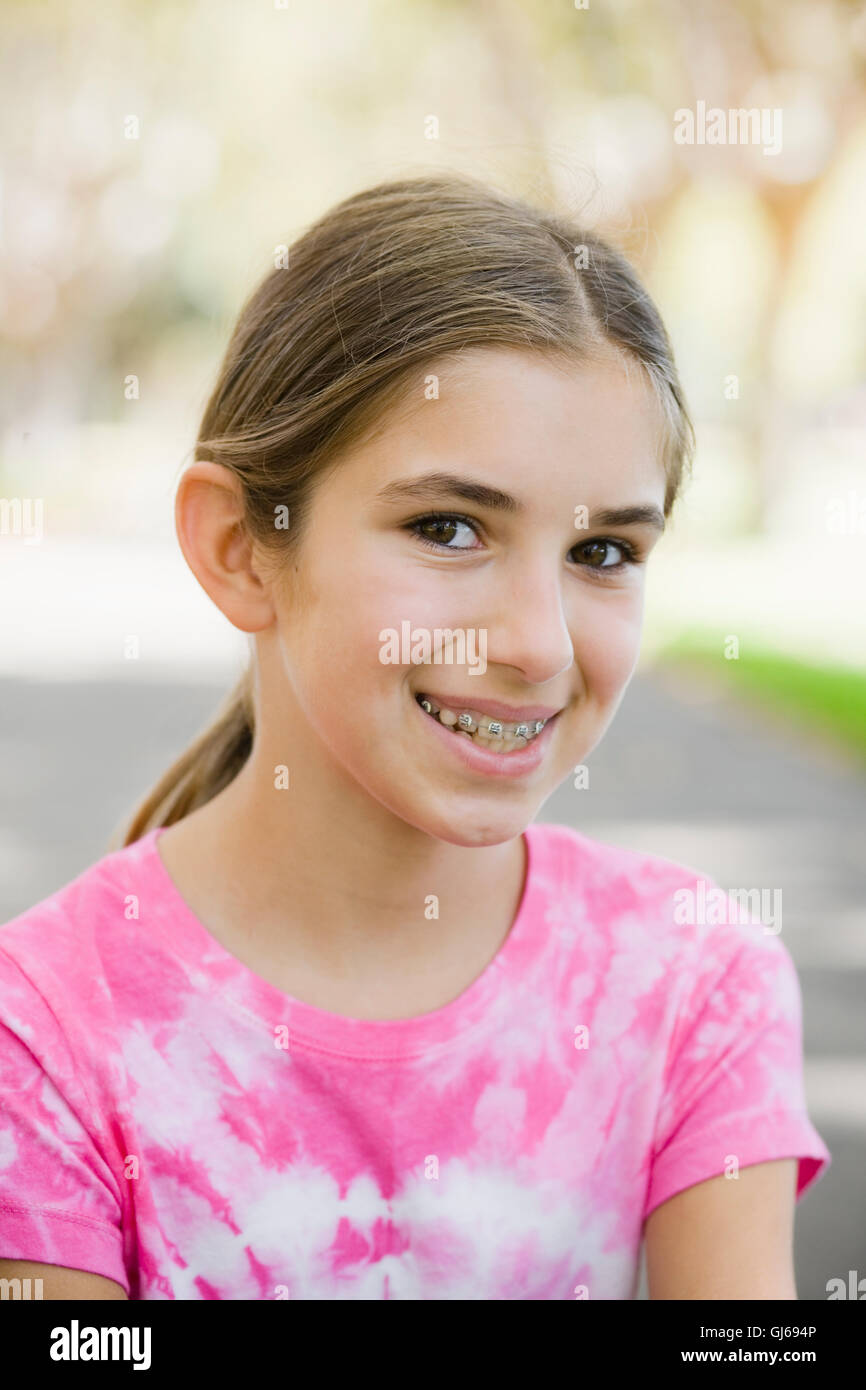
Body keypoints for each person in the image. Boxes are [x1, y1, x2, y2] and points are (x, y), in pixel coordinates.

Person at [0, 172, 830, 1300]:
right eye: (447, 528)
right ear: (242, 547)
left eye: (601, 553)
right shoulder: (42, 1034)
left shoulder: (697, 986)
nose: (538, 644)